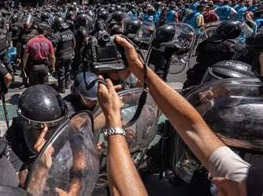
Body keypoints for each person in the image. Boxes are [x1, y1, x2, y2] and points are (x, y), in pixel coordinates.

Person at [107, 35, 257, 196]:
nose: (219, 180)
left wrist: (112, 117)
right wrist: (137, 66)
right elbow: (192, 127)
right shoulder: (250, 179)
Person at [4, 84, 68, 185]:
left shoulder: (61, 131)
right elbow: (22, 186)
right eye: (41, 128)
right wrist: (42, 167)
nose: (49, 134)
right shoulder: (11, 142)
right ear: (26, 126)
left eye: (53, 127)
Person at [52, 17, 75, 93]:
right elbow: (74, 43)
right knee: (68, 70)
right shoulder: (70, 32)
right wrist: (71, 50)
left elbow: (54, 48)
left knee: (61, 72)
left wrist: (53, 57)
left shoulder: (57, 35)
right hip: (69, 54)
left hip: (61, 56)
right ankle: (67, 85)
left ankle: (61, 88)